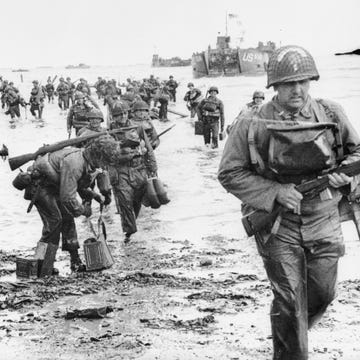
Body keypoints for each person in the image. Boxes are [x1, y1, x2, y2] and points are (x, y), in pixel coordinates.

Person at [218, 45, 360, 360]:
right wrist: (275, 192)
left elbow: (356, 152)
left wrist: (343, 175)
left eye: (303, 82)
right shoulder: (251, 122)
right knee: (290, 300)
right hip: (278, 224)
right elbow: (229, 173)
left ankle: (287, 336)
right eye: (288, 84)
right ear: (274, 86)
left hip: (324, 217)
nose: (296, 89)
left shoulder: (331, 113)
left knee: (322, 295)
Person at [14, 135, 119, 274]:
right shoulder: (75, 163)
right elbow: (68, 197)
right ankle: (41, 264)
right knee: (54, 222)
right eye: (104, 161)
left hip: (56, 186)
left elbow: (76, 185)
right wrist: (83, 210)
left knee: (68, 220)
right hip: (40, 186)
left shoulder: (86, 160)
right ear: (98, 156)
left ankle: (75, 262)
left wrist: (95, 195)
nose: (104, 166)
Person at [108, 100, 157, 243]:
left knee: (137, 199)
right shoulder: (109, 132)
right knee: (125, 201)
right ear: (113, 117)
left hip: (139, 169)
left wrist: (153, 168)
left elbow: (148, 148)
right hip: (120, 171)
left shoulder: (138, 128)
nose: (122, 117)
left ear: (128, 113)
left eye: (124, 113)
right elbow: (109, 155)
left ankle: (131, 223)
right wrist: (124, 152)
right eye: (118, 115)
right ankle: (129, 233)